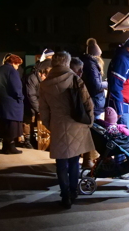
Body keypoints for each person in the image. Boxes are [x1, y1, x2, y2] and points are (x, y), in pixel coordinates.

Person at [39, 51, 94, 209]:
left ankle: (65, 195)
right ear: (67, 62)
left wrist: (50, 125)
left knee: (61, 163)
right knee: (75, 160)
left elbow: (43, 109)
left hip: (57, 124)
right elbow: (87, 103)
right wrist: (89, 121)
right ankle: (73, 191)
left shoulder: (44, 84)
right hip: (76, 124)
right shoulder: (75, 79)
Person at [107, 36, 129, 130]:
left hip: (127, 109)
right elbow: (116, 87)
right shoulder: (121, 61)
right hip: (123, 109)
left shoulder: (128, 61)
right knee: (125, 138)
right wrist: (119, 110)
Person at [80, 38, 106, 168]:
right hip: (94, 103)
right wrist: (106, 84)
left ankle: (88, 159)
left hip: (89, 101)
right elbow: (96, 85)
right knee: (93, 133)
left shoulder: (85, 63)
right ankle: (89, 160)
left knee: (89, 131)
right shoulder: (91, 65)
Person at [0, 55, 25, 154]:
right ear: (14, 62)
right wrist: (21, 97)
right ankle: (11, 147)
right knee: (12, 126)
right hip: (12, 103)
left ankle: (5, 146)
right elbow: (16, 87)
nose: (18, 67)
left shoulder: (0, 69)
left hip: (1, 101)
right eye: (18, 64)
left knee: (4, 125)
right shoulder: (12, 71)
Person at [23, 57, 52, 149]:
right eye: (45, 77)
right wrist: (39, 109)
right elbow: (31, 95)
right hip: (27, 101)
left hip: (36, 100)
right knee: (28, 120)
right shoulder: (32, 78)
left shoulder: (40, 79)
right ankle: (27, 140)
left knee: (34, 119)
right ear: (42, 74)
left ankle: (33, 139)